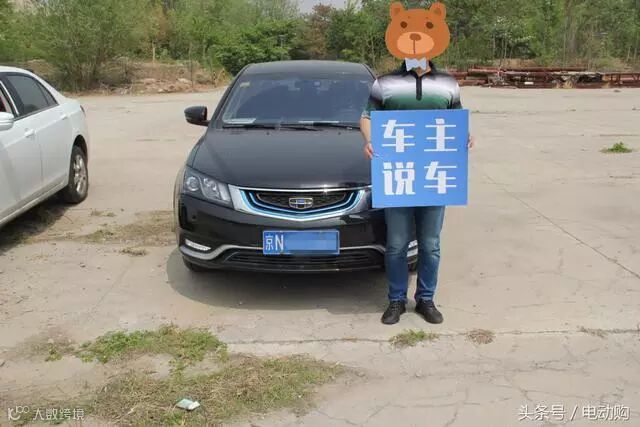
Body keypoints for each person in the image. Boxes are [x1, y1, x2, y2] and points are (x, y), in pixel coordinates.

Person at [360, 59, 474, 325]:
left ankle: (426, 298)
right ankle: (396, 299)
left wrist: (465, 136)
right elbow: (366, 117)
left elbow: (455, 120)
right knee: (397, 244)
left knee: (430, 244)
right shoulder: (384, 83)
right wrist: (370, 141)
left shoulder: (448, 83)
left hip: (434, 176)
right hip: (398, 176)